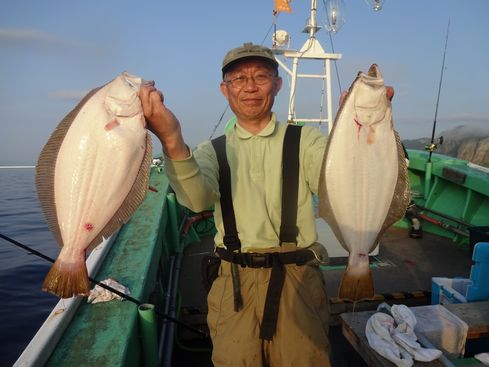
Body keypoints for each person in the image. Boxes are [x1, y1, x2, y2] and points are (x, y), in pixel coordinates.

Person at [140, 42, 332, 366]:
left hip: (297, 277)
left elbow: (335, 181)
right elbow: (197, 198)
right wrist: (171, 139)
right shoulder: (211, 150)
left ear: (277, 84)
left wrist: (365, 134)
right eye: (239, 79)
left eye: (261, 76)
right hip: (233, 280)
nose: (250, 87)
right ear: (224, 89)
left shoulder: (307, 141)